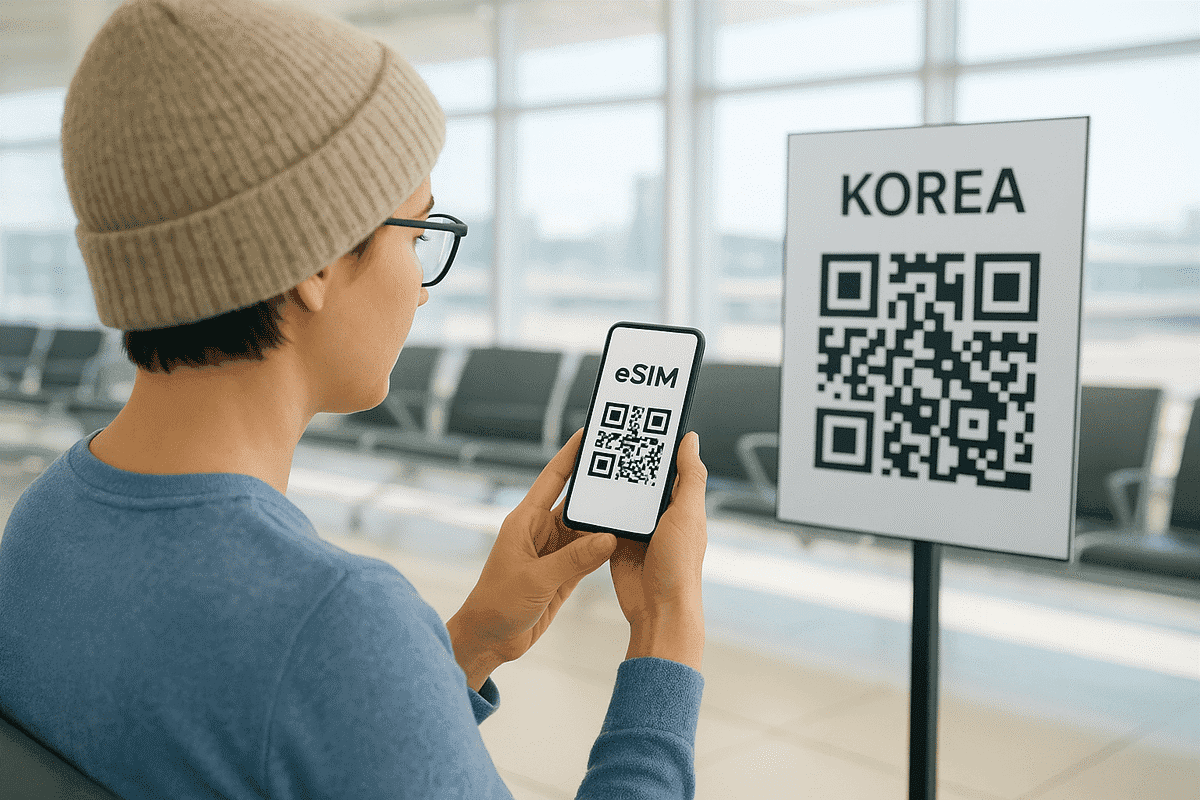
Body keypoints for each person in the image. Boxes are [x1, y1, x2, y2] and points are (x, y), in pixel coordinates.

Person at [0, 1, 708, 798]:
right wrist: (667, 628)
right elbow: (304, 685)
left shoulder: (44, 520)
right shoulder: (333, 622)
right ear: (315, 260)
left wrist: (469, 643)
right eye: (418, 235)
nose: (422, 289)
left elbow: (267, 745)